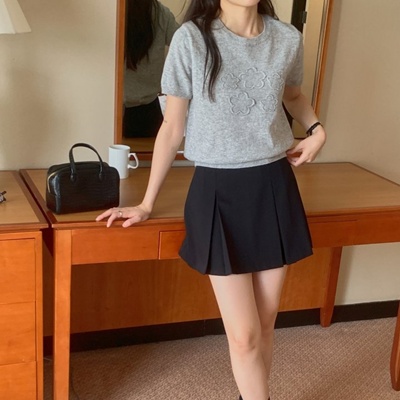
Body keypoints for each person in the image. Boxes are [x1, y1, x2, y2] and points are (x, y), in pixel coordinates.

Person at [97, 0, 326, 398]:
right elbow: (172, 127)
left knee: (265, 323)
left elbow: (292, 96)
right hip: (218, 190)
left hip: (273, 185)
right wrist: (146, 203)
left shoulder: (286, 39)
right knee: (244, 335)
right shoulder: (192, 39)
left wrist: (317, 128)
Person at [123, 0, 179, 138]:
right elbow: (184, 45)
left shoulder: (114, 11)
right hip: (148, 108)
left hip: (114, 106)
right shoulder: (161, 13)